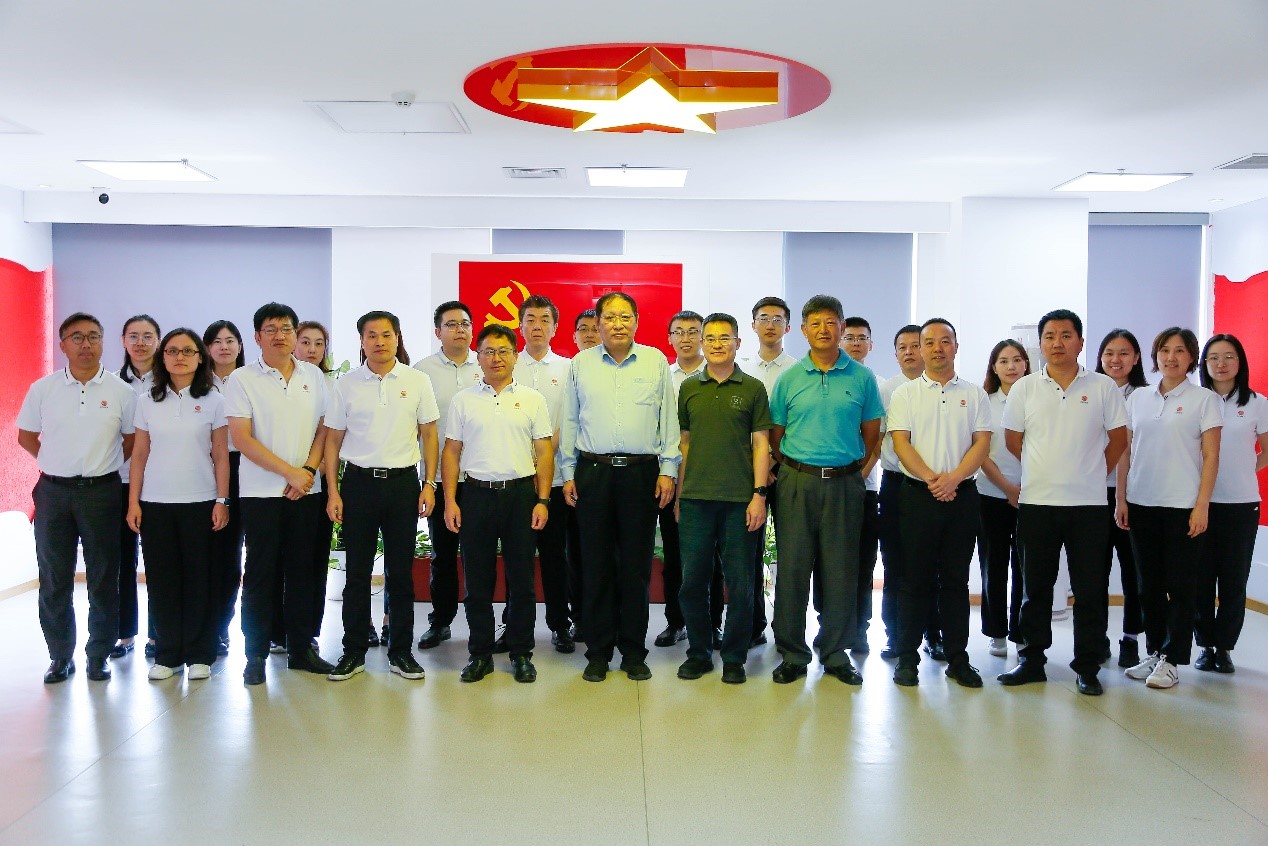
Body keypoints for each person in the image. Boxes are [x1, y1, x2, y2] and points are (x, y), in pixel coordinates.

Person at [998, 309, 1127, 697]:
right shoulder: (1025, 388)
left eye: (1066, 335)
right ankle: (1031, 659)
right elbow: (1013, 441)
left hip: (1089, 506)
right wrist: (1045, 469)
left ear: (1080, 342)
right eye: (1050, 336)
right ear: (1040, 344)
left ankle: (1087, 666)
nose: (1057, 343)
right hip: (1037, 504)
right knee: (1035, 588)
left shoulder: (1102, 387)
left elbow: (1119, 440)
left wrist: (1090, 473)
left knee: (1090, 590)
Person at [561, 291, 680, 682]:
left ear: (637, 321)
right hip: (593, 472)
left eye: (625, 317)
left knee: (635, 567)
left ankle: (632, 651)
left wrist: (668, 469)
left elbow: (668, 420)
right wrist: (568, 472)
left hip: (640, 474)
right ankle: (597, 652)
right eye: (609, 317)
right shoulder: (580, 364)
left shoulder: (655, 360)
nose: (617, 324)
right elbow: (571, 421)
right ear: (597, 323)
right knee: (595, 566)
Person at [767, 294, 882, 686]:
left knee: (841, 570)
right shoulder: (789, 379)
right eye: (815, 323)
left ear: (842, 327)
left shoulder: (862, 378)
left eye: (831, 322)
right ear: (803, 330)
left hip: (845, 484)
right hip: (796, 483)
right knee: (793, 570)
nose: (823, 330)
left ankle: (834, 652)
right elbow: (776, 436)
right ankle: (792, 653)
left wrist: (850, 470)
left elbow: (871, 435)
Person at [18, 313, 136, 683]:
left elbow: (132, 440)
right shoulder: (44, 388)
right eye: (77, 337)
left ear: (103, 342)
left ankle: (98, 655)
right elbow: (26, 436)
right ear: (63, 344)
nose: (86, 344)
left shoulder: (122, 392)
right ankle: (59, 656)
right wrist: (56, 463)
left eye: (93, 336)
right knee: (54, 577)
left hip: (102, 492)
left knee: (104, 576)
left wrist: (101, 464)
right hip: (53, 492)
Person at [223, 302, 333, 685]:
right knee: (260, 574)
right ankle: (255, 655)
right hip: (260, 495)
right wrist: (290, 473)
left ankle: (301, 649)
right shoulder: (242, 379)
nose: (280, 335)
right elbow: (242, 438)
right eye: (271, 329)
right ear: (257, 337)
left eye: (286, 328)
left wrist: (308, 472)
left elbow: (324, 429)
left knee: (303, 572)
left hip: (307, 492)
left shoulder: (313, 376)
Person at [324, 311, 436, 681]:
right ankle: (353, 651)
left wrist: (429, 484)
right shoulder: (347, 384)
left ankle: (400, 652)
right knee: (357, 572)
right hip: (358, 484)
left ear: (397, 338)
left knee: (400, 573)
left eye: (386, 334)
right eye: (371, 335)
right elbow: (333, 440)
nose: (379, 341)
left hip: (403, 485)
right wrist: (333, 491)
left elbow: (429, 434)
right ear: (361, 341)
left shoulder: (417, 381)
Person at [443, 325, 554, 683]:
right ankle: (480, 654)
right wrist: (450, 500)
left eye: (503, 351)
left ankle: (521, 653)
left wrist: (543, 499)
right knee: (477, 581)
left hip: (521, 496)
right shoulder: (463, 400)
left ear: (515, 356)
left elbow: (544, 452)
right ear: (478, 357)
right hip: (475, 495)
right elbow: (451, 452)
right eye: (489, 351)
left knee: (522, 580)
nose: (496, 358)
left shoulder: (533, 399)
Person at [887, 318, 991, 688]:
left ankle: (958, 659)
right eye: (928, 342)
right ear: (920, 348)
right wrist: (934, 479)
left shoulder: (975, 394)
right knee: (913, 579)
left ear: (956, 347)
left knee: (956, 581)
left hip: (962, 496)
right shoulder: (906, 394)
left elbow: (982, 443)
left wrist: (954, 479)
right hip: (918, 496)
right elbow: (901, 442)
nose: (936, 348)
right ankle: (907, 659)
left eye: (944, 341)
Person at [1117, 328, 1221, 690]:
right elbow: (1126, 451)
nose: (1171, 357)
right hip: (1142, 502)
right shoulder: (1138, 398)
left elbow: (1211, 456)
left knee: (1180, 586)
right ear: (1155, 355)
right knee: (1148, 586)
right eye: (1164, 350)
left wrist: (1202, 505)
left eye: (1179, 350)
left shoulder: (1204, 400)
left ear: (1191, 357)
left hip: (1183, 506)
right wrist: (1121, 498)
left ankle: (1173, 659)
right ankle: (1155, 652)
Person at [126, 328, 230, 681]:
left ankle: (201, 654)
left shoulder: (214, 400)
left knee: (201, 579)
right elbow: (140, 455)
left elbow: (221, 455)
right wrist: (134, 502)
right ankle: (167, 655)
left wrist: (222, 499)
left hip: (201, 502)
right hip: (155, 504)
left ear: (200, 357)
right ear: (163, 357)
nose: (180, 357)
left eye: (188, 351)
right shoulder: (146, 401)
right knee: (162, 581)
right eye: (172, 351)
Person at [675, 313, 771, 685]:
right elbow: (685, 444)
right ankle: (699, 653)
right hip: (696, 500)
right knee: (693, 583)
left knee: (741, 584)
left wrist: (758, 495)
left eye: (724, 338)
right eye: (710, 338)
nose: (717, 344)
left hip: (739, 501)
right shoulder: (689, 388)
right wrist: (681, 495)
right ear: (702, 343)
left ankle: (734, 658)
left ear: (737, 343)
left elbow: (761, 444)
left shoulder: (752, 388)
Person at [1194, 334, 1267, 674]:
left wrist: (1245, 470)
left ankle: (1224, 647)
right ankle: (1204, 645)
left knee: (1234, 580)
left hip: (1241, 505)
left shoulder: (1257, 403)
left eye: (1228, 357)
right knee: (1201, 579)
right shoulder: (1196, 401)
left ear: (1240, 362)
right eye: (1213, 357)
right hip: (1200, 503)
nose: (1221, 364)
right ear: (1204, 363)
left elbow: (1266, 449)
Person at [413, 301, 482, 650]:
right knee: (443, 555)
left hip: (481, 478)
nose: (460, 329)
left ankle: (481, 626)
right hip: (439, 480)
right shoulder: (421, 372)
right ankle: (440, 621)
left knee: (478, 556)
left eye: (465, 323)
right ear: (438, 331)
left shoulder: (486, 365)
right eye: (452, 324)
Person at [656, 310, 723, 649]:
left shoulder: (716, 375)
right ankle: (675, 622)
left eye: (693, 331)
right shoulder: (661, 377)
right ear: (669, 338)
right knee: (674, 555)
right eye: (678, 331)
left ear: (702, 337)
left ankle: (713, 624)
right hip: (668, 477)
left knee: (711, 558)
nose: (685, 338)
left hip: (708, 477)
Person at [513, 294, 575, 653]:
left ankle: (560, 624)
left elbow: (570, 419)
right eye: (530, 319)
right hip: (516, 479)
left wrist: (545, 456)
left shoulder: (568, 368)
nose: (537, 326)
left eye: (544, 320)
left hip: (555, 480)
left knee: (555, 557)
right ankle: (513, 625)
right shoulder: (507, 365)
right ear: (520, 326)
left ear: (555, 327)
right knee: (517, 559)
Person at [877, 325, 940, 660]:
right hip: (897, 484)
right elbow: (877, 438)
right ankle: (895, 634)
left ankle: (934, 633)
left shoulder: (942, 389)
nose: (909, 352)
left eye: (915, 345)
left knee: (934, 564)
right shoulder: (887, 389)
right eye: (902, 347)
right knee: (895, 563)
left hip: (937, 486)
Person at [739, 296, 798, 648]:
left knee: (790, 554)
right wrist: (757, 467)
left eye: (777, 319)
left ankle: (787, 629)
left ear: (788, 327)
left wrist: (772, 462)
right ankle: (753, 624)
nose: (770, 324)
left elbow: (798, 424)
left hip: (788, 472)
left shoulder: (799, 370)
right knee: (748, 553)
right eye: (764, 318)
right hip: (747, 474)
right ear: (753, 325)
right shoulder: (740, 368)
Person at [1094, 329, 1150, 668]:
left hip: (1133, 493)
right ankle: (1097, 637)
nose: (1116, 360)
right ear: (1100, 357)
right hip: (1093, 492)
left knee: (1133, 572)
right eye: (1109, 353)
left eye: (1124, 353)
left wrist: (1124, 495)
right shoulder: (1089, 392)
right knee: (1094, 572)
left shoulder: (1146, 397)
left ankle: (1130, 639)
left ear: (1136, 358)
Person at [977, 339, 1030, 658]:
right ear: (994, 368)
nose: (1011, 366)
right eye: (1004, 361)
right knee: (993, 566)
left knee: (1026, 568)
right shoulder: (984, 402)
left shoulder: (1037, 398)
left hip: (1032, 495)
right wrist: (1008, 488)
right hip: (991, 494)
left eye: (1017, 360)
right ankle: (996, 632)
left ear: (1026, 364)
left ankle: (1022, 631)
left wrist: (1023, 488)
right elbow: (979, 451)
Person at [113, 314, 160, 660]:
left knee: (159, 563)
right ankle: (124, 633)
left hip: (159, 484)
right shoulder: (112, 385)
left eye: (147, 336)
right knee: (120, 562)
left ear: (158, 341)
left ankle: (158, 636)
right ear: (123, 341)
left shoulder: (172, 383)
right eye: (134, 336)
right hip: (118, 482)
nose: (140, 342)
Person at [293, 319, 336, 647]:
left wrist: (312, 472)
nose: (312, 349)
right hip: (282, 482)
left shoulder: (333, 385)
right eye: (305, 342)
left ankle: (308, 632)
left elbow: (333, 437)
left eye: (318, 343)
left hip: (318, 483)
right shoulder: (283, 382)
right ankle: (280, 631)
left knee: (314, 561)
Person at [204, 319, 247, 657]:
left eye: (230, 340)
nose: (224, 346)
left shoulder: (249, 381)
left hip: (247, 467)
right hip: (206, 469)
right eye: (217, 341)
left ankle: (224, 626)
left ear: (240, 346)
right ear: (207, 348)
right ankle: (207, 626)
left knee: (235, 554)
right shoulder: (196, 383)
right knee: (212, 553)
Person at [840, 316, 881, 653]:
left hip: (866, 487)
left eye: (861, 338)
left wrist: (860, 474)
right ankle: (831, 624)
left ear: (871, 344)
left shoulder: (876, 383)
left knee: (863, 563)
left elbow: (877, 439)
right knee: (830, 563)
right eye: (849, 337)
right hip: (832, 485)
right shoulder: (829, 379)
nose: (855, 343)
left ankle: (861, 629)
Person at [566, 307, 601, 637]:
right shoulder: (571, 369)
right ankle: (579, 616)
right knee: (576, 552)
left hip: (601, 473)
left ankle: (608, 616)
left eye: (595, 328)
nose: (590, 334)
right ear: (574, 335)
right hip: (572, 476)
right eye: (583, 329)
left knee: (606, 551)